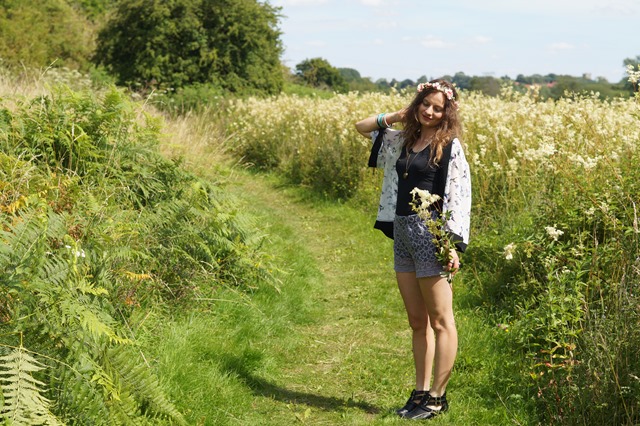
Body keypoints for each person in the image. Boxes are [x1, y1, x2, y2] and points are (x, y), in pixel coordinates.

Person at [355, 79, 471, 420]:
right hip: (403, 233)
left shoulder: (449, 146)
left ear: (446, 112)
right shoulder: (403, 139)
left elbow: (460, 197)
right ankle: (420, 393)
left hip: (431, 236)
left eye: (438, 108)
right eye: (426, 104)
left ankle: (438, 397)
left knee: (441, 320)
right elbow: (361, 127)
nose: (430, 112)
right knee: (417, 321)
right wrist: (398, 114)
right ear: (418, 103)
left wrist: (453, 246)